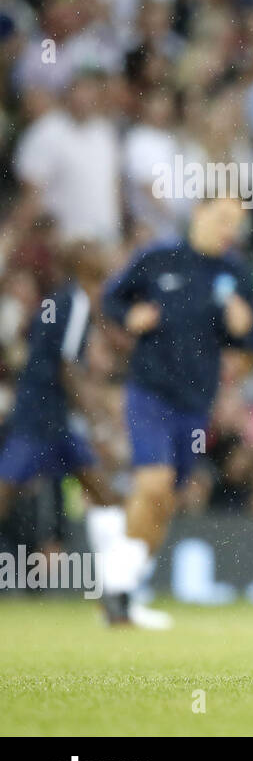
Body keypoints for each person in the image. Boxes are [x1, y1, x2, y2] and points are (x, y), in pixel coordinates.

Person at [94, 196, 253, 627]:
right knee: (153, 483)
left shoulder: (235, 275)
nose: (229, 230)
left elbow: (248, 348)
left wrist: (243, 331)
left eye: (236, 224)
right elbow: (112, 299)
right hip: (150, 392)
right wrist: (130, 315)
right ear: (199, 213)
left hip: (196, 405)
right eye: (223, 218)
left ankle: (122, 591)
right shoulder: (158, 259)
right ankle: (117, 587)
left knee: (164, 501)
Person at [0, 244, 126, 580]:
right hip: (42, 415)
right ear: (87, 268)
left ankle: (120, 579)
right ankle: (122, 578)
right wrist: (94, 415)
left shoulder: (57, 300)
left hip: (48, 415)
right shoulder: (75, 302)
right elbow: (67, 365)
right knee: (7, 487)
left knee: (100, 489)